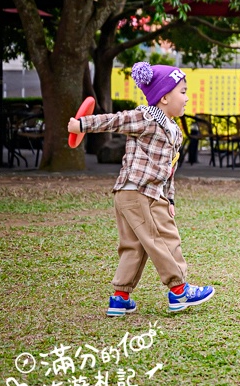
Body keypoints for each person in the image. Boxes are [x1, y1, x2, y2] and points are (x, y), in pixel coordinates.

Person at [68, 62, 215, 316]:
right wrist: (80, 125)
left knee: (134, 245)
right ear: (165, 97)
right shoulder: (144, 118)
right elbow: (113, 121)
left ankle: (120, 297)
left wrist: (170, 199)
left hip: (145, 194)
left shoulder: (174, 133)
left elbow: (170, 169)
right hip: (137, 192)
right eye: (183, 92)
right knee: (163, 239)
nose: (187, 98)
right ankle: (179, 290)